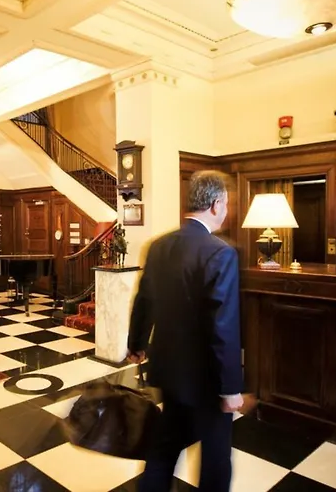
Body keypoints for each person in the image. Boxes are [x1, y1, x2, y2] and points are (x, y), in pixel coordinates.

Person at [127, 170, 243, 492]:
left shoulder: (159, 246)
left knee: (164, 447)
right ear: (217, 204)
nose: (226, 210)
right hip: (206, 377)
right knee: (216, 457)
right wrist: (230, 387)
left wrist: (137, 343)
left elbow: (144, 299)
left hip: (168, 368)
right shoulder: (220, 252)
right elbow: (223, 326)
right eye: (227, 204)